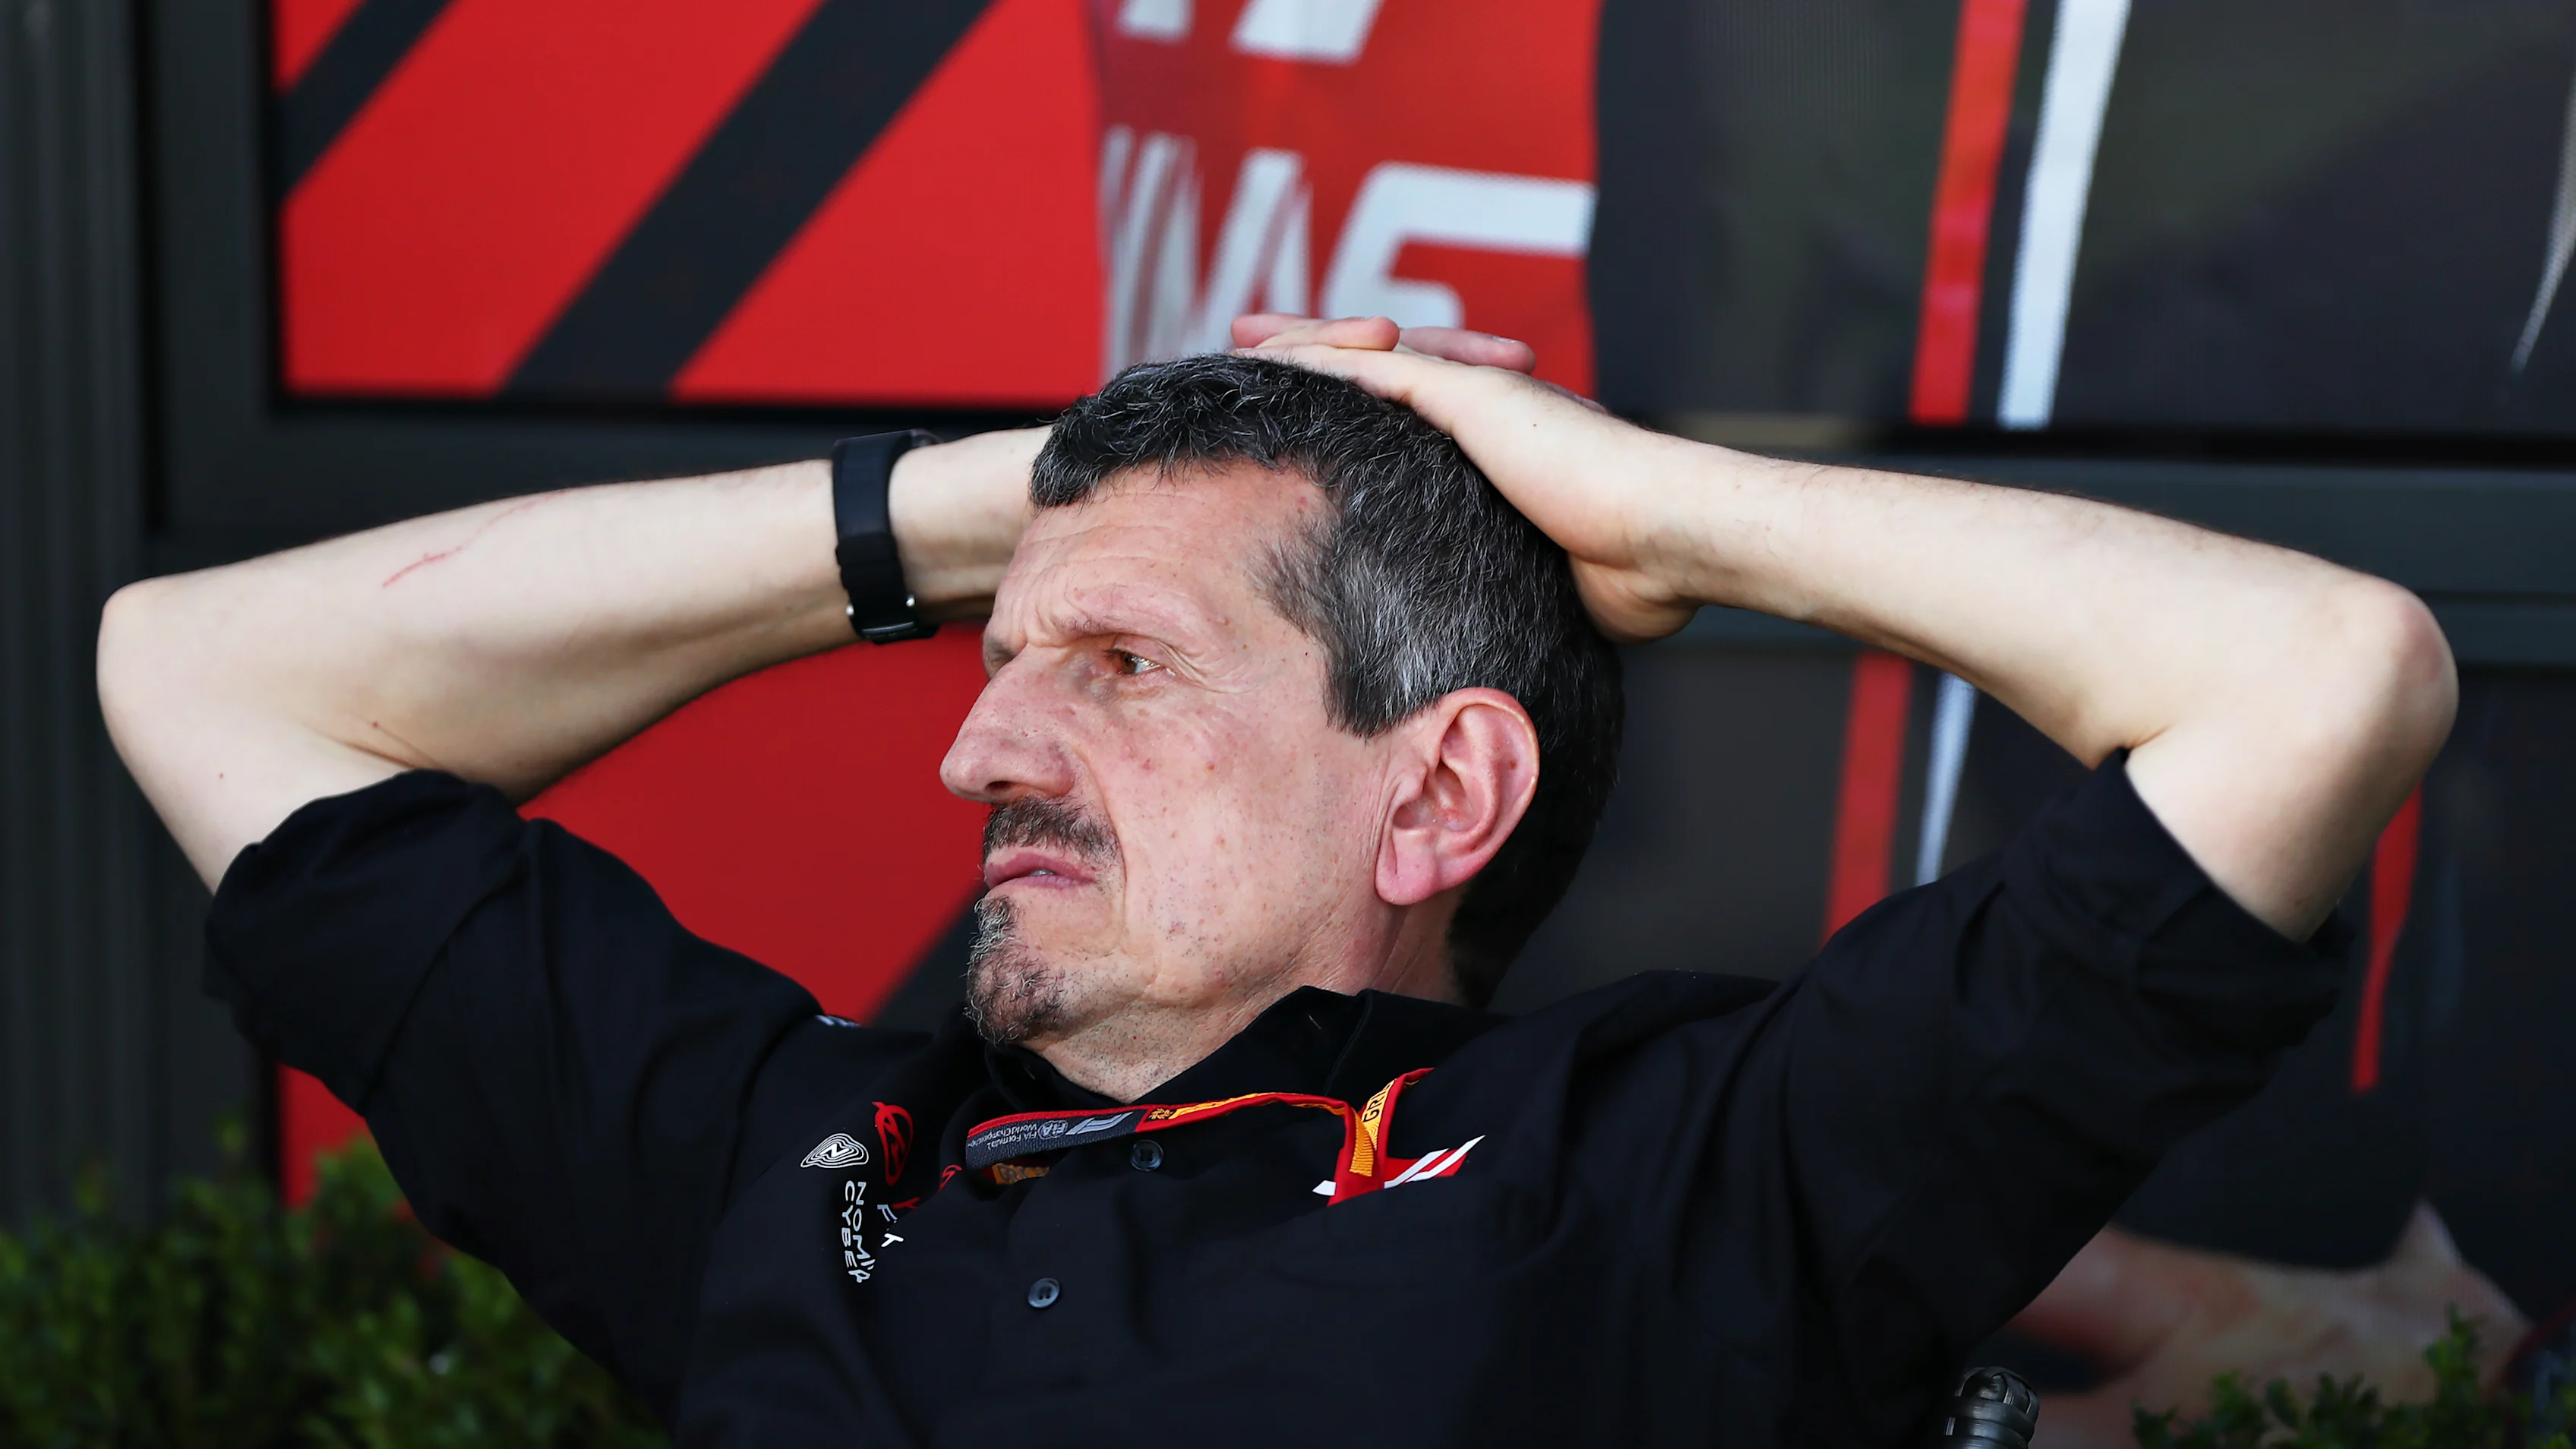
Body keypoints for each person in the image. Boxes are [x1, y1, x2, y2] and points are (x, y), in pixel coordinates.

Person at [96, 315, 2453, 1445]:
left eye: (1116, 664)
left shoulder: (1649, 1183)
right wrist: (1016, 498)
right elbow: (202, 672)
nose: (975, 738)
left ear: (1438, 797)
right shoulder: (793, 1152)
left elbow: (2317, 679)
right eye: (998, 660)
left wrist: (1654, 510)